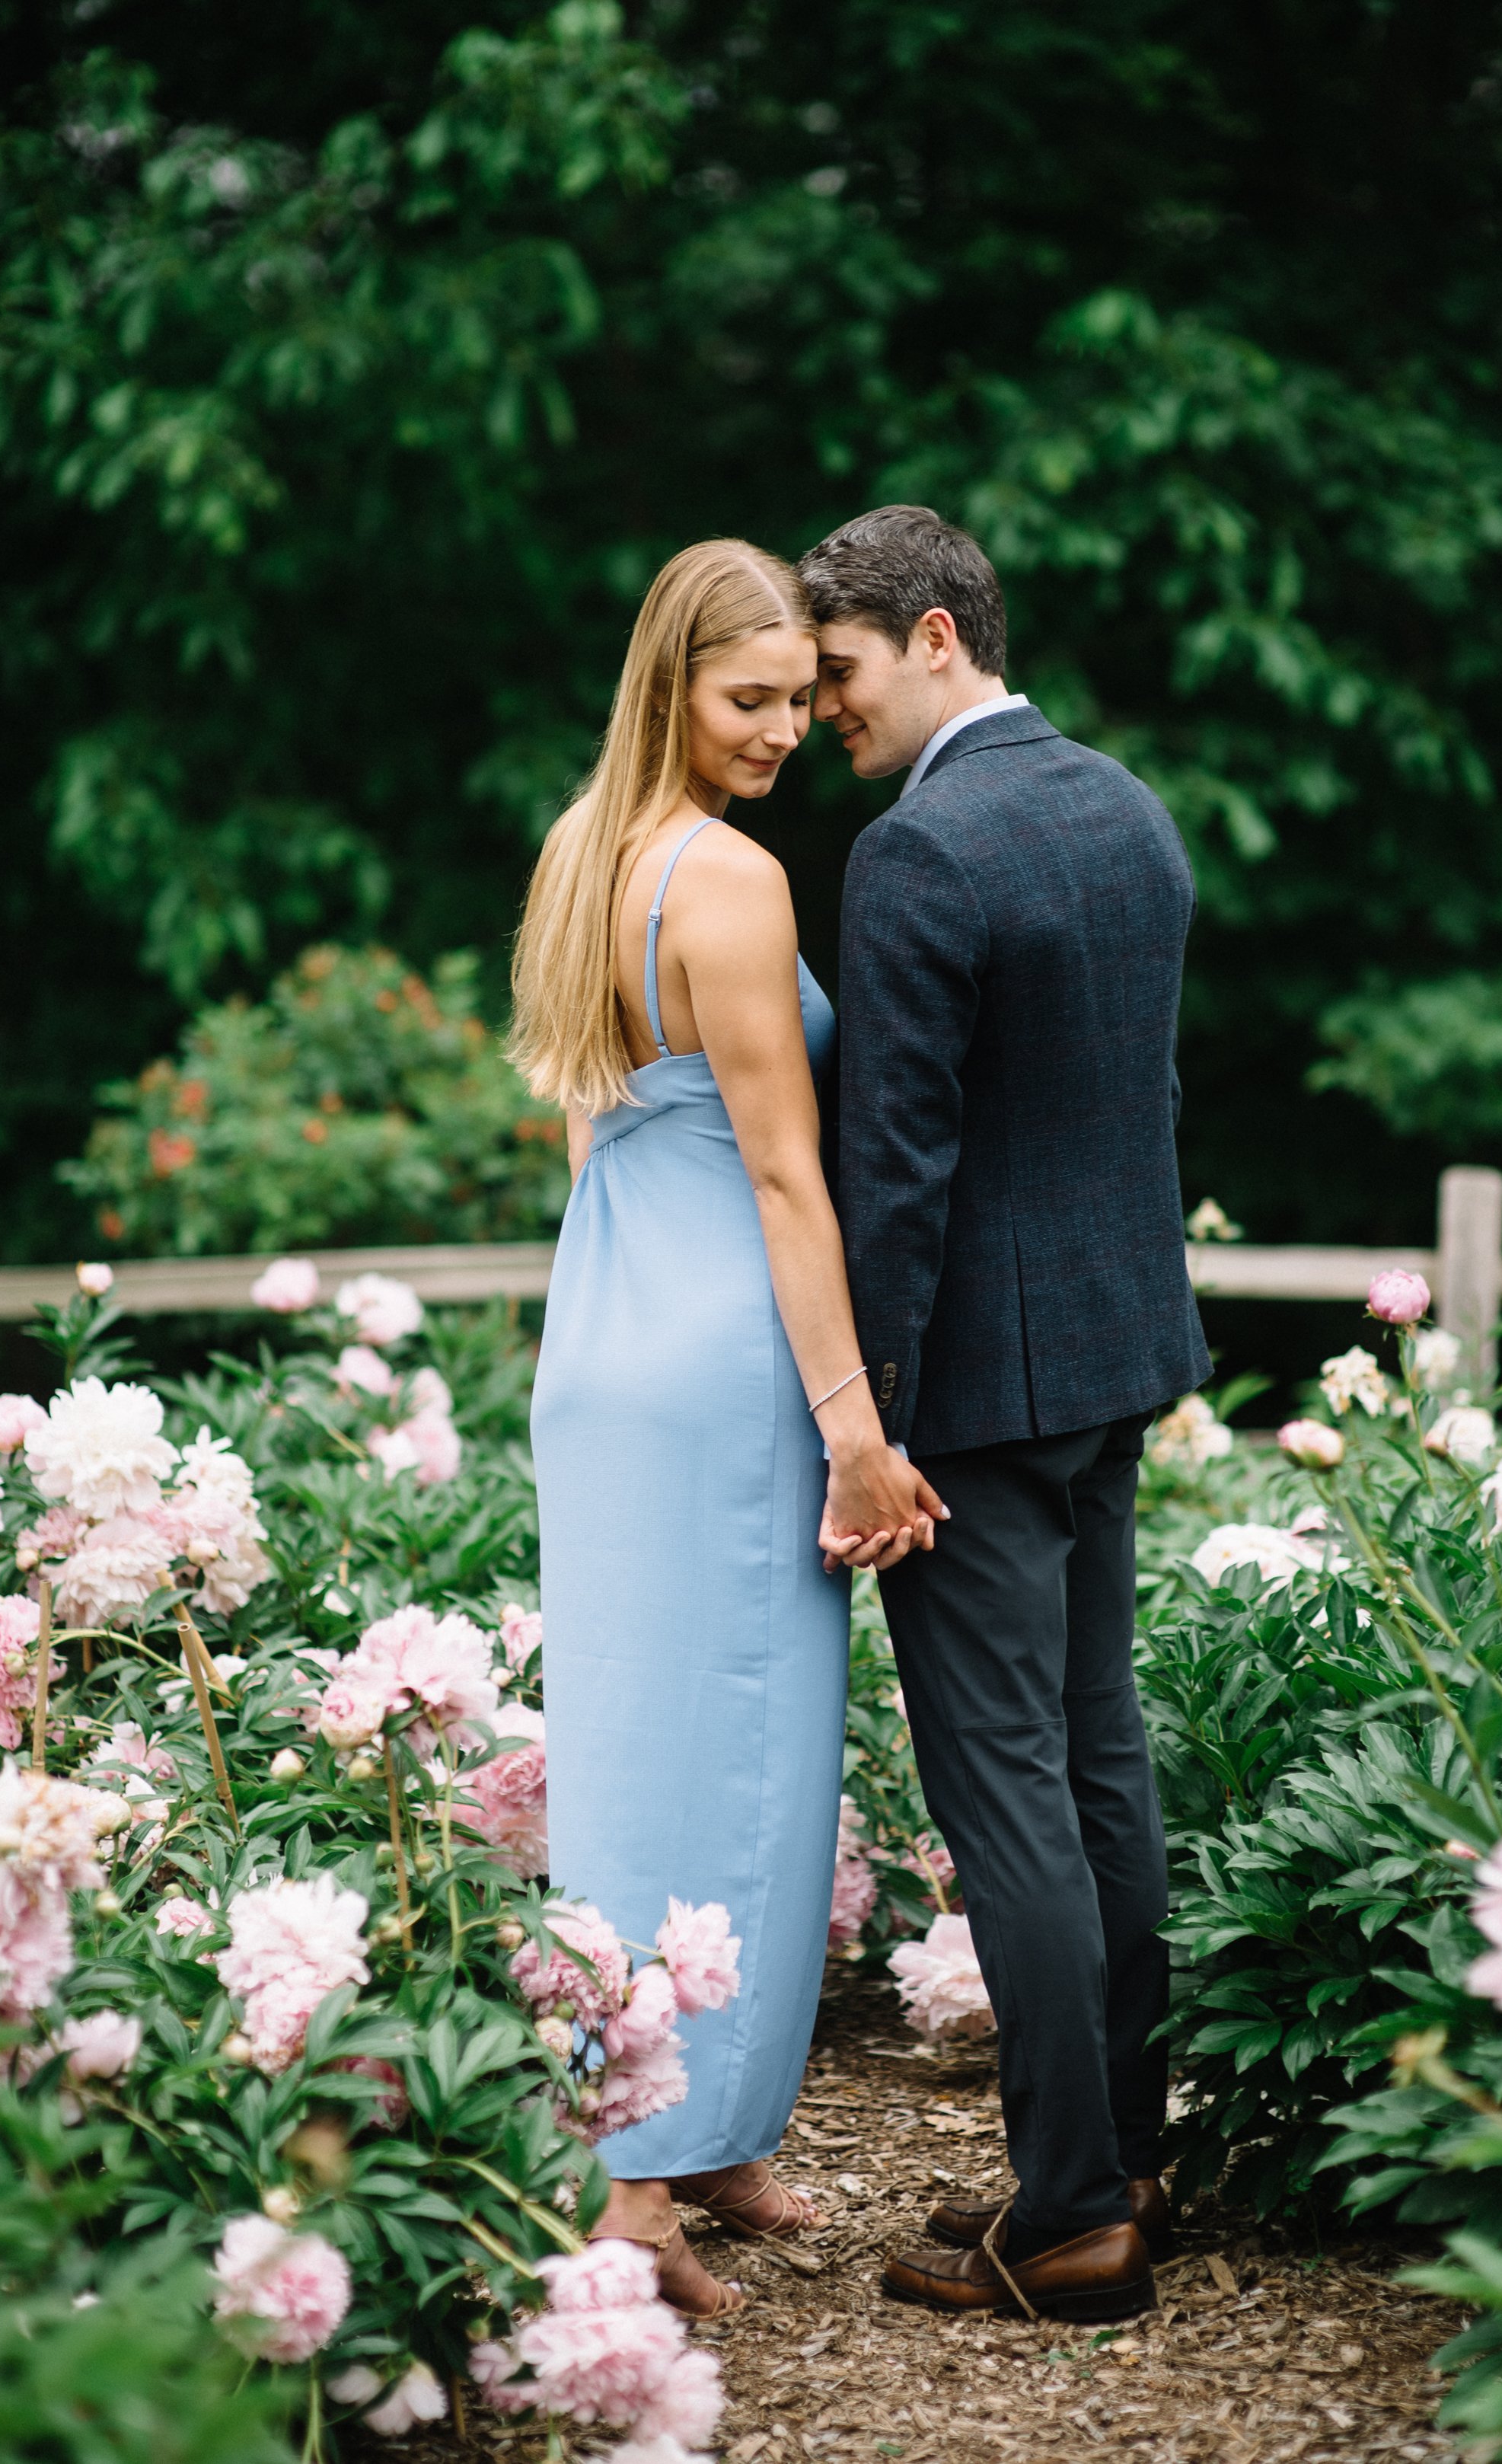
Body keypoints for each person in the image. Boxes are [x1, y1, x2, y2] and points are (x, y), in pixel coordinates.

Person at [510, 539, 946, 2320]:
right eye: (745, 698)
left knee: (639, 1736)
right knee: (742, 1753)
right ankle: (635, 2199)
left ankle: (708, 2134)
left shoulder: (578, 853)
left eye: (794, 697)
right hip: (722, 1356)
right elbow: (783, 1171)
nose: (781, 727)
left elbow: (585, 1129)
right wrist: (853, 1423)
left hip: (604, 1327)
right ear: (669, 689)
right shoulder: (736, 882)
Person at [798, 504, 1212, 2325]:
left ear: (939, 635)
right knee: (1098, 1755)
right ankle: (1128, 2152)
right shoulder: (1128, 804)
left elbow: (896, 1172)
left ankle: (1063, 2218)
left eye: (841, 671)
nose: (823, 712)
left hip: (967, 1400)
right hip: (1121, 1359)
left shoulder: (916, 852)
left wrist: (864, 1420)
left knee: (1009, 1794)